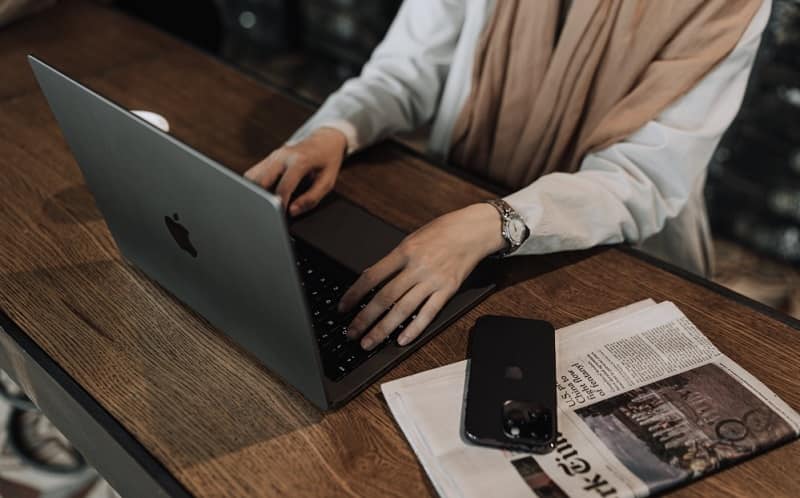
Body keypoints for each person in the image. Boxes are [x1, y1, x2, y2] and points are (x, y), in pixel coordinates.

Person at [245, 0, 770, 351]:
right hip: (458, 201)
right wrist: (336, 131)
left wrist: (496, 222)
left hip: (614, 258)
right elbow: (407, 68)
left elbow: (643, 177)